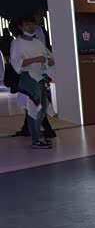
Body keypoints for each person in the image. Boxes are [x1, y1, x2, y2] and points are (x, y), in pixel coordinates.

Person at [10, 15, 55, 149]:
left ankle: (38, 136)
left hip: (41, 78)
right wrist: (35, 59)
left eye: (33, 24)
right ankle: (36, 139)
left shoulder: (37, 42)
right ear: (21, 27)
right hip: (28, 78)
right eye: (27, 25)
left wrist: (49, 61)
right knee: (33, 109)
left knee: (42, 109)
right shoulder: (17, 43)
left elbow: (49, 56)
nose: (31, 27)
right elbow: (16, 63)